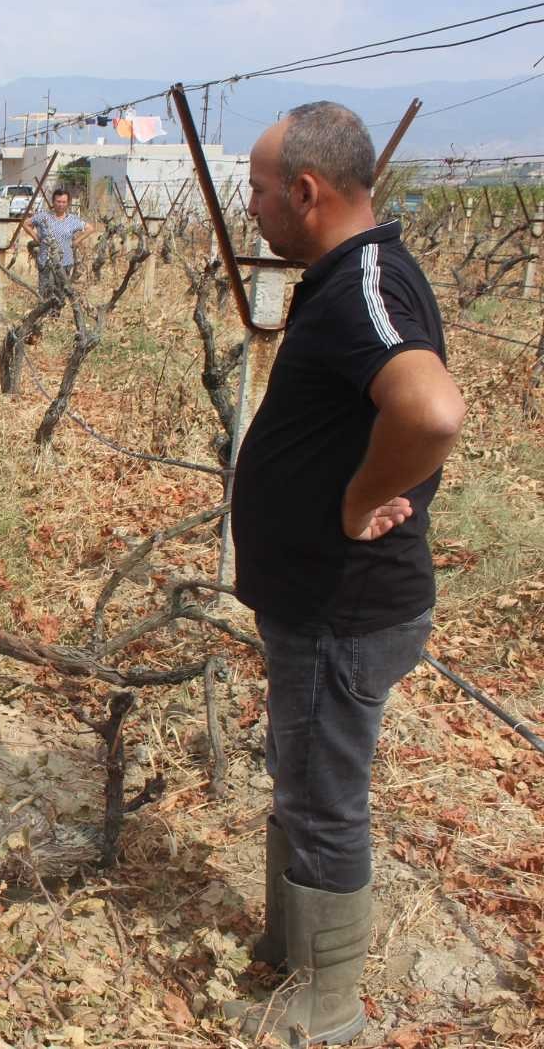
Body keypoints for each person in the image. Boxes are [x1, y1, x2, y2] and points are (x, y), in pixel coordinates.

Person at [226, 102, 465, 1046]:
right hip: (317, 604)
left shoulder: (366, 281)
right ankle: (293, 960)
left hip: (343, 607)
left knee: (326, 801)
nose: (249, 209)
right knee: (303, 779)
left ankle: (325, 1021)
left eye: (254, 189)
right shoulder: (347, 278)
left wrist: (364, 496)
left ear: (306, 191)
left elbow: (432, 411)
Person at [23, 187, 89, 299]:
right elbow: (26, 224)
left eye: (64, 202)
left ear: (68, 203)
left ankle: (55, 316)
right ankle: (44, 315)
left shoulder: (72, 219)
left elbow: (90, 228)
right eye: (58, 201)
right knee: (45, 294)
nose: (60, 204)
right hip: (46, 261)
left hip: (65, 262)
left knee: (60, 294)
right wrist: (37, 238)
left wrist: (76, 241)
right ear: (53, 202)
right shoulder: (44, 216)